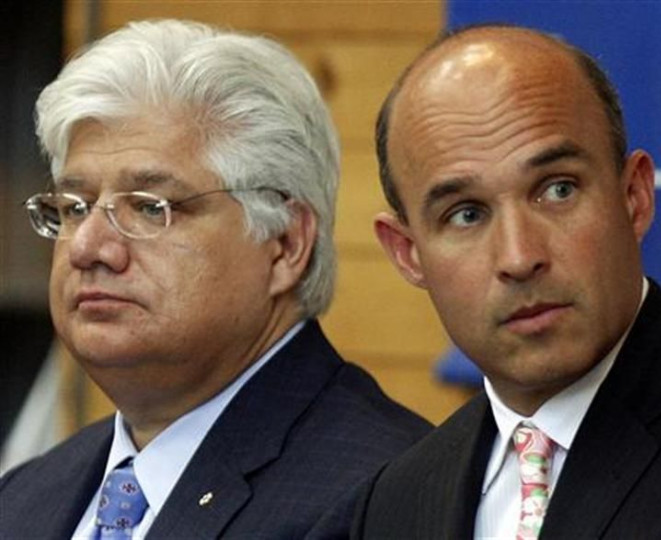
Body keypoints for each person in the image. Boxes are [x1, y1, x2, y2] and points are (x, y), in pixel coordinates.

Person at [0, 19, 431, 539]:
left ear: (285, 244)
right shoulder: (25, 495)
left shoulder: (388, 499)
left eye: (148, 208)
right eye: (74, 207)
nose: (90, 248)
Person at [353, 24, 661, 538]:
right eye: (466, 215)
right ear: (408, 254)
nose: (519, 256)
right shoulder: (393, 503)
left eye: (557, 190)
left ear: (635, 197)